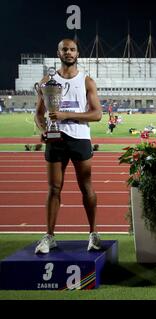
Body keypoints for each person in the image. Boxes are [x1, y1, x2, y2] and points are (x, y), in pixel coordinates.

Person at [34, 39, 103, 253]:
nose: (69, 52)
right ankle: (49, 236)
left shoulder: (86, 81)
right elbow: (38, 113)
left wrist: (66, 115)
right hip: (56, 139)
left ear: (77, 53)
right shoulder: (47, 80)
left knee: (86, 186)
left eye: (72, 49)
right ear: (58, 52)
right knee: (54, 188)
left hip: (80, 138)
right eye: (65, 49)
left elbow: (97, 114)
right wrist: (43, 129)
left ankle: (93, 234)